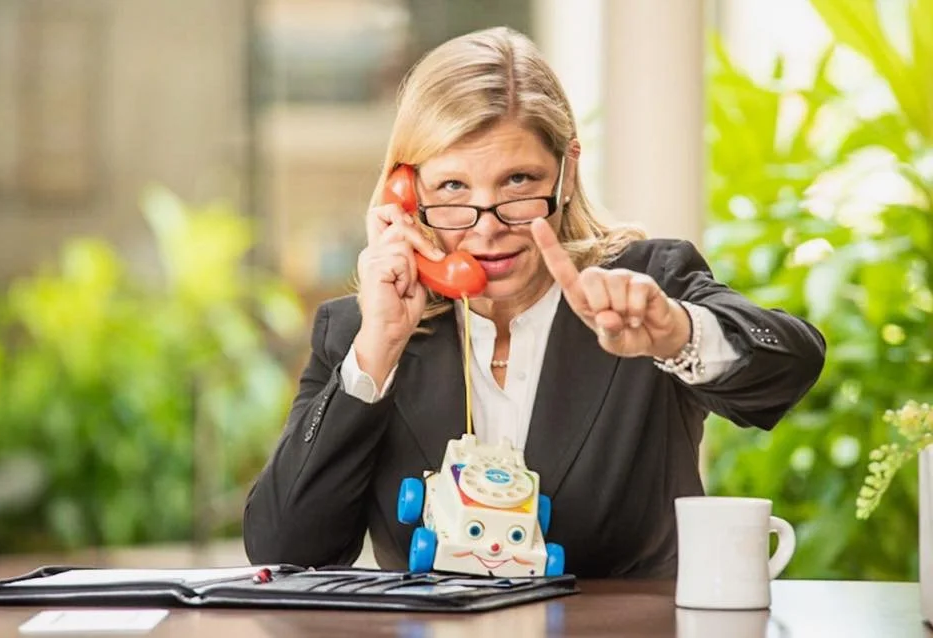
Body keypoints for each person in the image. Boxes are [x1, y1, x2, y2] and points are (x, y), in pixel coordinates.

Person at [243, 26, 825, 578]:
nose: (487, 229)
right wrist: (377, 352)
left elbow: (793, 365)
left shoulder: (646, 285)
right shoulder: (359, 332)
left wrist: (676, 333)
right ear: (407, 194)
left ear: (565, 173)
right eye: (452, 188)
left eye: (518, 182)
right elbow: (287, 549)